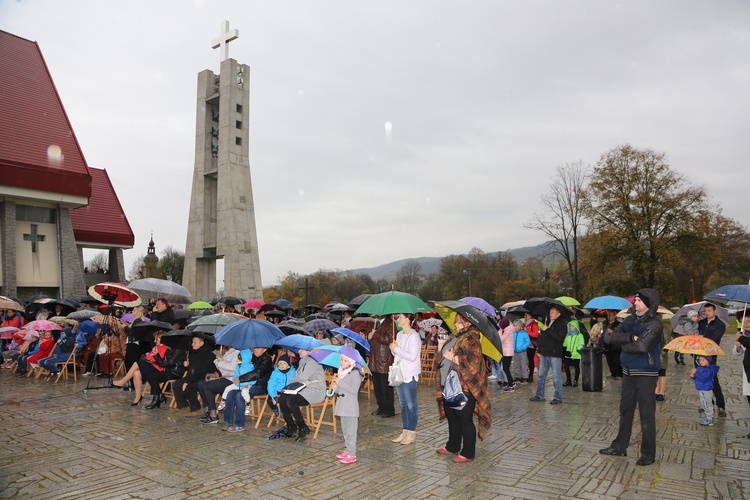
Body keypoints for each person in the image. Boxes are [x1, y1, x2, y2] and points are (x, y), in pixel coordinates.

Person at [599, 288, 662, 466]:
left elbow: (643, 347)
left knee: (646, 415)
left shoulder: (655, 324)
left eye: (639, 300)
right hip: (628, 372)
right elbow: (610, 340)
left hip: (645, 374)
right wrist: (630, 337)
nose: (635, 302)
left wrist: (624, 344)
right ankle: (619, 446)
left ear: (649, 304)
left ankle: (648, 454)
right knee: (625, 411)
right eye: (635, 299)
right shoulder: (629, 319)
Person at [435, 313, 491, 463]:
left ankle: (468, 452)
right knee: (452, 416)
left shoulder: (472, 339)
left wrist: (453, 358)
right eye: (456, 322)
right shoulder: (455, 337)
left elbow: (474, 362)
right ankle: (452, 446)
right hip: (449, 384)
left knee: (464, 419)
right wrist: (440, 346)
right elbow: (441, 359)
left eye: (459, 322)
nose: (456, 325)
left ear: (467, 323)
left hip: (464, 386)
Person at [274, 348, 326, 441]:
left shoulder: (312, 361)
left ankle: (303, 427)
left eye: (301, 350)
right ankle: (291, 425)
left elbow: (302, 377)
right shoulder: (303, 361)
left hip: (316, 390)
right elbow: (296, 378)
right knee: (282, 398)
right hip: (305, 388)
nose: (298, 351)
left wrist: (293, 379)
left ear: (308, 351)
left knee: (291, 400)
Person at [113, 331, 177, 406]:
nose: (154, 341)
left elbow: (162, 363)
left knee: (136, 363)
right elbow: (148, 357)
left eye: (156, 339)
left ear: (161, 339)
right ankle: (138, 397)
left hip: (158, 368)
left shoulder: (167, 349)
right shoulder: (156, 347)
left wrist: (155, 355)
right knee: (136, 373)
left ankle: (123, 381)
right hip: (151, 365)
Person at [221, 347, 273, 431]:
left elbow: (257, 374)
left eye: (258, 348)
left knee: (239, 395)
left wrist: (241, 378)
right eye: (254, 348)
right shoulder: (251, 357)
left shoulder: (267, 359)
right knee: (230, 393)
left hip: (260, 386)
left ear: (264, 349)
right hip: (246, 384)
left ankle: (239, 424)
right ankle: (227, 421)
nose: (255, 350)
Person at [389, 312, 422, 445]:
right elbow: (396, 353)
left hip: (409, 374)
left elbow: (412, 356)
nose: (398, 319)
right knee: (402, 404)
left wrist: (396, 349)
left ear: (408, 319)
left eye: (401, 317)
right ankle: (405, 430)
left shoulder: (414, 336)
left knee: (410, 404)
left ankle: (411, 432)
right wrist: (393, 348)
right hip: (399, 373)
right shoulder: (399, 334)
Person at [331, 349, 363, 464]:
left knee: (351, 431)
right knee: (345, 430)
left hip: (350, 407)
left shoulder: (354, 373)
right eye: (341, 360)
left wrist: (340, 383)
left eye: (345, 360)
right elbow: (340, 389)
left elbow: (354, 390)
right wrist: (335, 387)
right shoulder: (342, 372)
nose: (342, 362)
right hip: (342, 405)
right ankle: (347, 449)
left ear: (351, 362)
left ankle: (352, 453)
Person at [529, 305, 567, 404]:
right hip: (544, 353)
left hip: (554, 353)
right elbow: (542, 338)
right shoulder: (547, 322)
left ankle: (557, 397)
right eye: (550, 312)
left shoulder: (562, 324)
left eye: (553, 312)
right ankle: (539, 395)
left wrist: (548, 330)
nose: (550, 314)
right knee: (541, 375)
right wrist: (539, 349)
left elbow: (559, 338)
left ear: (558, 314)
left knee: (556, 376)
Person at [173, 335, 217, 416]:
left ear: (201, 343)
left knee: (190, 386)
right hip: (194, 376)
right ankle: (183, 406)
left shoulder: (207, 354)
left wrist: (187, 381)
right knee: (176, 384)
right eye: (192, 342)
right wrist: (187, 365)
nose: (192, 344)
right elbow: (193, 370)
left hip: (205, 377)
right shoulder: (194, 353)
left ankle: (196, 408)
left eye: (194, 342)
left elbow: (199, 371)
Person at [697, 303, 726, 418]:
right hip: (700, 353)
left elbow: (715, 339)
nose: (707, 313)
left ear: (715, 311)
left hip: (711, 354)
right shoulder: (701, 323)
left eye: (709, 310)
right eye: (705, 311)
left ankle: (721, 405)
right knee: (702, 378)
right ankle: (708, 404)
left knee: (713, 379)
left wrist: (703, 338)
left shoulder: (720, 325)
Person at [197, 347, 239, 422]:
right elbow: (221, 367)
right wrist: (218, 360)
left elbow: (232, 368)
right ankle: (208, 410)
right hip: (224, 377)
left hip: (232, 380)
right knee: (201, 384)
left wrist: (221, 362)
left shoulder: (238, 353)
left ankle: (213, 415)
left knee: (207, 387)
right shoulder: (230, 351)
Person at [367, 316, 396, 418]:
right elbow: (373, 339)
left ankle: (389, 409)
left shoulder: (390, 323)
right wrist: (370, 337)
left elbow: (388, 339)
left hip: (384, 360)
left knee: (385, 387)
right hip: (374, 359)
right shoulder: (376, 323)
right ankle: (381, 407)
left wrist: (375, 334)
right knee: (377, 387)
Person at [688, 355, 720, 426]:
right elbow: (698, 378)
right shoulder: (700, 368)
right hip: (701, 388)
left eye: (703, 360)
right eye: (700, 360)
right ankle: (707, 417)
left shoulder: (709, 370)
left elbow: (703, 378)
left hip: (706, 389)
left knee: (707, 404)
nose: (701, 361)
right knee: (704, 404)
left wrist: (696, 372)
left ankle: (709, 419)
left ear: (708, 361)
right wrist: (693, 376)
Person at [733, 311, 750, 437]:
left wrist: (742, 339)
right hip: (748, 372)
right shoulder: (744, 334)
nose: (746, 323)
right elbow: (738, 353)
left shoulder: (744, 336)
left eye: (748, 321)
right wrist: (738, 346)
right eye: (743, 321)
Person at [265, 354, 296, 418]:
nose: (281, 365)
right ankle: (275, 409)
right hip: (277, 391)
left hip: (288, 391)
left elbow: (295, 382)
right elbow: (271, 384)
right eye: (280, 363)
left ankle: (289, 413)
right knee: (270, 400)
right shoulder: (275, 373)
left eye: (284, 363)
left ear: (288, 364)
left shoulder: (292, 372)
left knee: (288, 400)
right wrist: (274, 395)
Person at [601, 309, 623, 379]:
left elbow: (621, 335)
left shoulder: (619, 324)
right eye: (608, 315)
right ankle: (613, 373)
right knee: (609, 361)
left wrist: (613, 332)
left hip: (615, 346)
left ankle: (619, 374)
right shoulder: (606, 324)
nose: (608, 316)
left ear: (615, 315)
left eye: (610, 315)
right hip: (607, 345)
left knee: (616, 361)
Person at [563, 320, 585, 387]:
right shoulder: (567, 335)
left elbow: (581, 344)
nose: (571, 327)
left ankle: (575, 380)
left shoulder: (580, 335)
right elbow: (565, 344)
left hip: (576, 354)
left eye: (572, 326)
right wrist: (563, 344)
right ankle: (568, 380)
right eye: (570, 326)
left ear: (576, 327)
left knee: (576, 367)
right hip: (568, 354)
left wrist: (575, 352)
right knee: (566, 367)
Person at [524, 312, 540, 383]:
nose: (525, 316)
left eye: (526, 315)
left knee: (531, 359)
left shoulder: (534, 324)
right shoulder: (525, 324)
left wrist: (527, 331)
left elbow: (536, 334)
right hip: (525, 344)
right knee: (526, 359)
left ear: (530, 316)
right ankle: (526, 374)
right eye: (525, 315)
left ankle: (530, 375)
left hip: (531, 344)